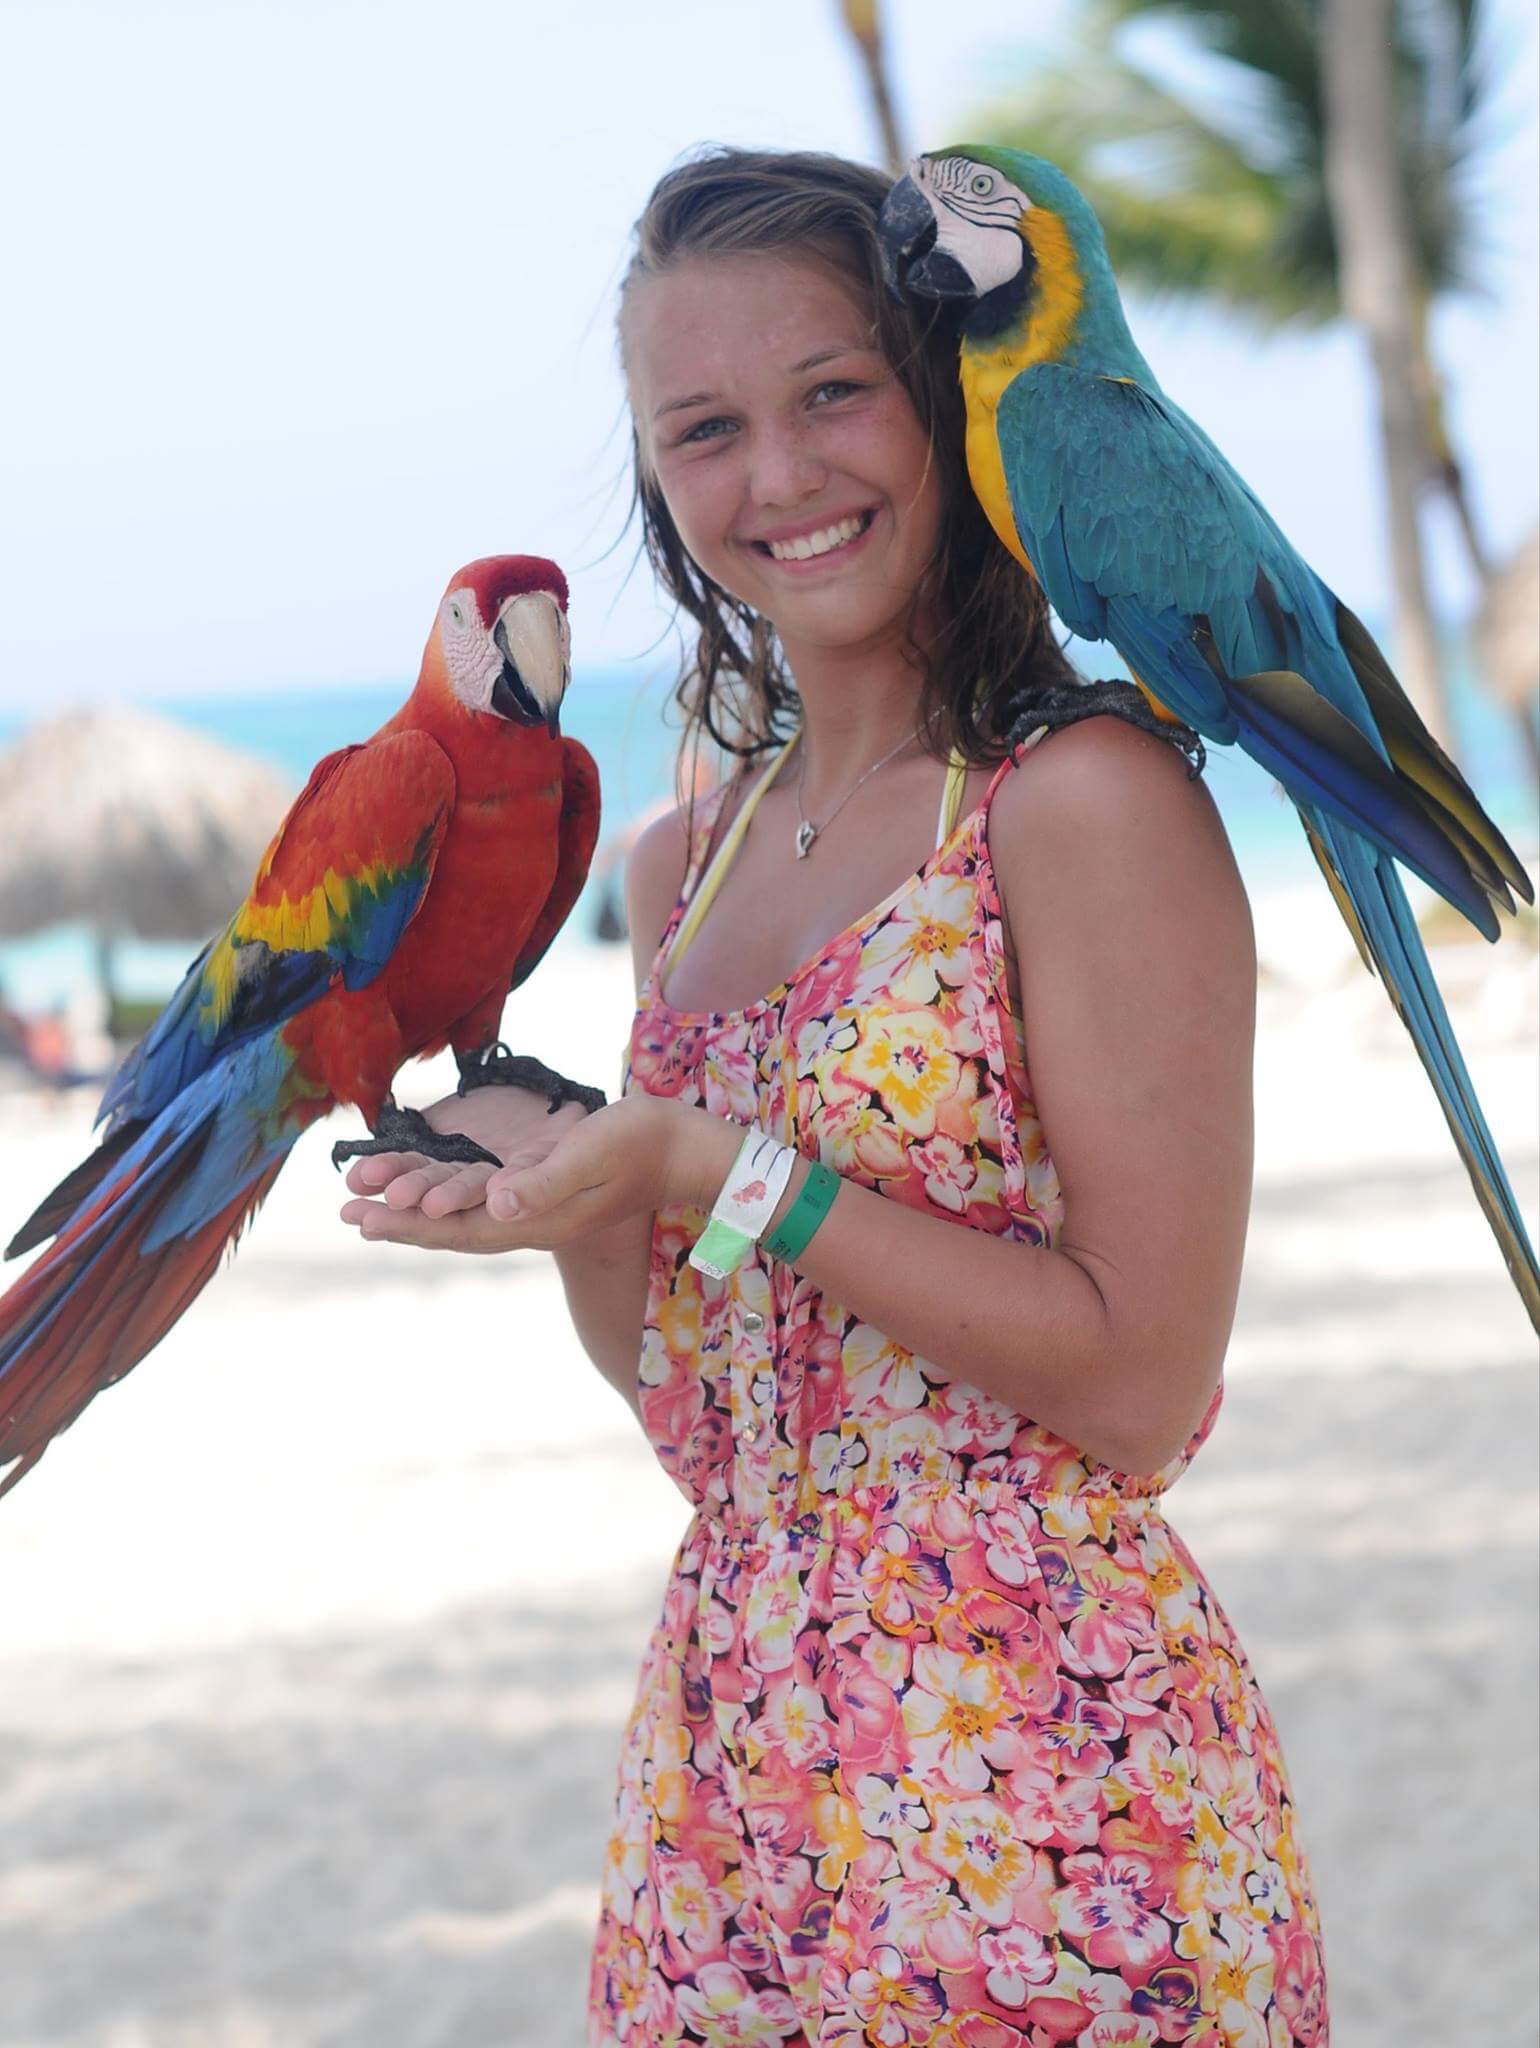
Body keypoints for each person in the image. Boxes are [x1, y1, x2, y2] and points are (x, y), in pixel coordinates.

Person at [339, 149, 1327, 2046]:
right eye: (703, 429)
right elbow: (685, 1394)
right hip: (727, 1786)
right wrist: (567, 1191)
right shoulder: (676, 866)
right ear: (655, 479)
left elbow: (1136, 1383)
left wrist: (725, 1167)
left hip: (1052, 1784)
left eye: (833, 394)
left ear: (946, 389)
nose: (778, 479)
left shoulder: (1082, 805)